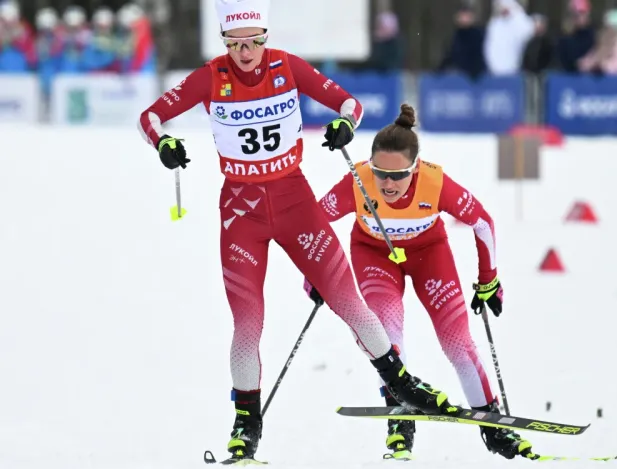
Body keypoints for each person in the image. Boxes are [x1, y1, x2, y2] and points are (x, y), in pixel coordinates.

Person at [136, 0, 456, 463]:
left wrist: (344, 124)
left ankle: (402, 385)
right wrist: (163, 142)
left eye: (254, 43)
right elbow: (149, 117)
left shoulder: (287, 66)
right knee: (248, 323)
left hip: (295, 204)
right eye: (235, 45)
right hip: (241, 213)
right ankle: (246, 424)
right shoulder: (210, 77)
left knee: (350, 302)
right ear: (224, 43)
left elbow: (350, 103)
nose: (246, 53)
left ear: (265, 39)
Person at [304, 104, 537, 461]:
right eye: (380, 173)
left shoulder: (434, 182)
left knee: (457, 342)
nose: (387, 183)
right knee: (387, 333)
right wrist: (316, 274)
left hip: (430, 255)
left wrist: (488, 280)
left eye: (398, 175)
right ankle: (400, 419)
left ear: (415, 168)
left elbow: (483, 223)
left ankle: (494, 427)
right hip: (375, 254)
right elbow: (313, 224)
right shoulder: (358, 180)